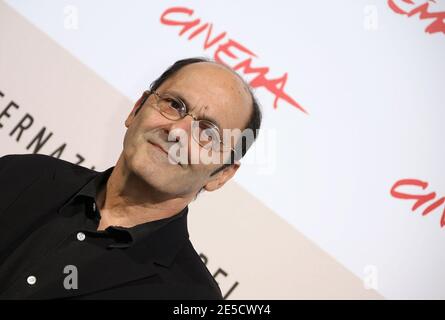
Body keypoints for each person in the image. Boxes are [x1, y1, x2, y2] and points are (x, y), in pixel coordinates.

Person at [0, 57, 262, 299]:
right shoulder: (23, 174)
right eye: (174, 104)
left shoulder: (192, 297)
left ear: (222, 174)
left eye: (208, 132)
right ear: (136, 109)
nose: (177, 131)